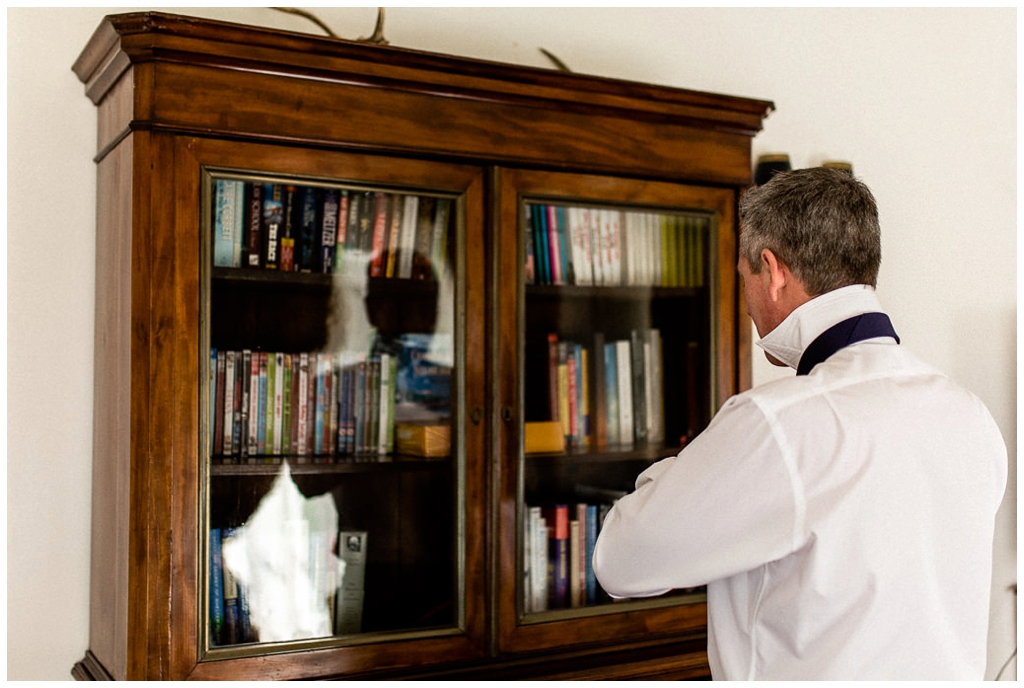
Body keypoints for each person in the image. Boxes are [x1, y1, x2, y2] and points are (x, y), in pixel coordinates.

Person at [591, 166, 1007, 680]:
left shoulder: (776, 423)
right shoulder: (970, 414)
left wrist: (676, 474)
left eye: (743, 277)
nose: (745, 301)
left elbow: (620, 559)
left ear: (772, 269)